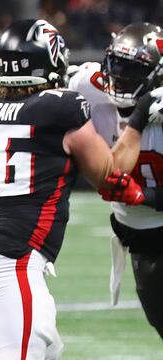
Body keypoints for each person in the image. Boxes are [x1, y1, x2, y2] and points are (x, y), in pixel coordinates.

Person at [0, 19, 150, 360]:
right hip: (12, 264)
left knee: (45, 352)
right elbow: (109, 176)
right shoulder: (61, 108)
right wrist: (138, 120)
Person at [67, 22, 163, 340]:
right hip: (140, 242)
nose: (119, 79)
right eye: (117, 67)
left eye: (131, 71)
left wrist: (144, 196)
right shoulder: (88, 86)